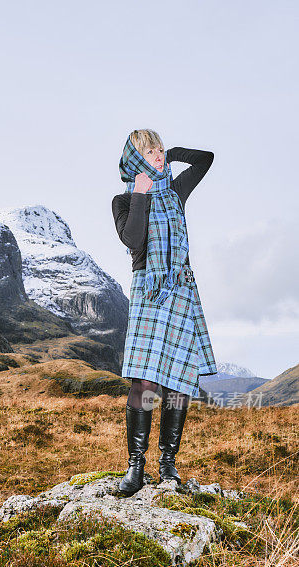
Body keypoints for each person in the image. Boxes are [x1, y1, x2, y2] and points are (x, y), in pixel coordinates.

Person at [112, 129, 217, 495]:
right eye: (150, 151)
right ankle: (135, 468)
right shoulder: (123, 201)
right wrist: (140, 192)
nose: (157, 155)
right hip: (148, 290)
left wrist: (171, 152)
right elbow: (133, 239)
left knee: (179, 383)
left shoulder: (176, 193)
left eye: (159, 149)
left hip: (181, 290)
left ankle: (168, 464)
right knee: (144, 381)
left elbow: (206, 158)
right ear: (135, 160)